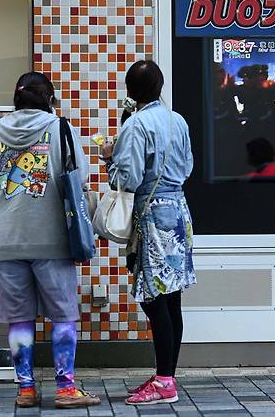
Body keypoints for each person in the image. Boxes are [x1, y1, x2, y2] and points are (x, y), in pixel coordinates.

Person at [0, 71, 100, 409]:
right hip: (52, 239)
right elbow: (81, 178)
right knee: (62, 316)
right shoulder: (60, 129)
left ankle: (26, 389)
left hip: (6, 239)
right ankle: (65, 388)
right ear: (49, 99)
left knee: (19, 318)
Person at [101, 60, 196, 406]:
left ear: (130, 91)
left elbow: (127, 178)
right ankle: (165, 374)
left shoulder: (136, 125)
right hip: (179, 212)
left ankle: (165, 382)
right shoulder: (178, 120)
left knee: (154, 298)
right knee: (172, 299)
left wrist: (108, 158)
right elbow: (187, 166)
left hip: (152, 217)